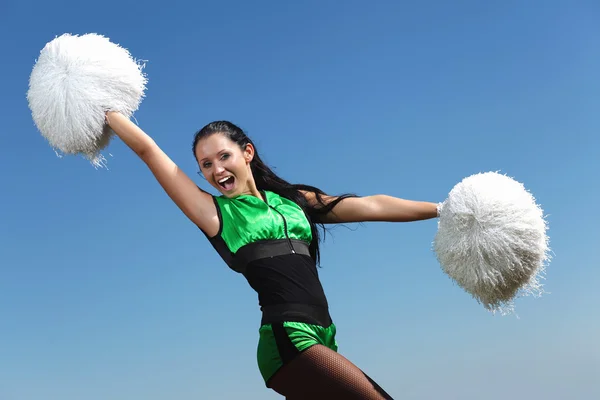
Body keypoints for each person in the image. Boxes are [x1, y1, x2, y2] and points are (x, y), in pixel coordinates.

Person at [105, 112, 439, 399]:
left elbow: (371, 206)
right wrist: (103, 106)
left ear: (247, 152)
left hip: (324, 334)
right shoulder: (216, 215)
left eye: (223, 156)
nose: (216, 170)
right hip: (287, 341)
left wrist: (444, 209)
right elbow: (148, 151)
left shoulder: (292, 202)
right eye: (205, 165)